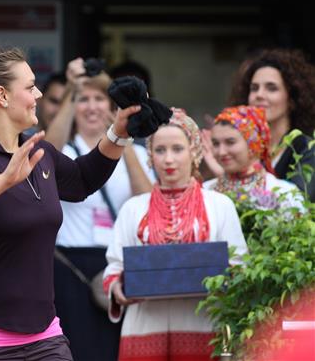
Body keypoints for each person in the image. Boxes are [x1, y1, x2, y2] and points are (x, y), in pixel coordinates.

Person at [0, 46, 141, 360]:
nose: (38, 93)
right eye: (30, 86)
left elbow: (80, 181)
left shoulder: (38, 150)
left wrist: (118, 131)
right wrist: (2, 182)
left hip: (44, 336)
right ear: (2, 96)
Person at [103, 109, 247, 361]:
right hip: (145, 328)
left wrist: (225, 280)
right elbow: (115, 267)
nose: (168, 159)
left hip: (202, 326)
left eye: (177, 149)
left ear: (194, 151)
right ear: (150, 156)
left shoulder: (220, 204)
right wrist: (118, 288)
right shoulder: (133, 208)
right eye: (160, 150)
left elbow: (239, 265)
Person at [54, 71, 154, 361]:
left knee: (117, 350)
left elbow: (147, 203)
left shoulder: (137, 151)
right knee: (76, 349)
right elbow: (47, 146)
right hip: (70, 264)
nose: (92, 106)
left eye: (100, 98)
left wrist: (124, 138)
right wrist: (69, 94)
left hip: (120, 263)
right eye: (83, 99)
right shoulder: (64, 150)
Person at [225, 48, 315, 200]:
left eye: (271, 88)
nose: (259, 95)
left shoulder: (307, 150)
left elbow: (296, 209)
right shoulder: (237, 148)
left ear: (292, 98)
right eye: (254, 88)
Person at [204, 105, 303, 209]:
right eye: (215, 144)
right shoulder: (206, 192)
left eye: (230, 142)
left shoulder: (285, 194)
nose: (221, 152)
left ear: (253, 144)